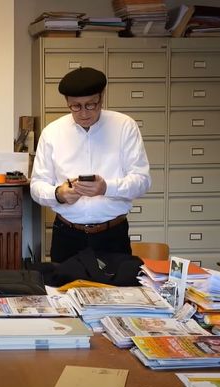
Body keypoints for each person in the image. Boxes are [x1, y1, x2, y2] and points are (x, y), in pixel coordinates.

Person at [30, 67, 151, 263]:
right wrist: (59, 194)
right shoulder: (52, 132)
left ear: (101, 98)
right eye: (76, 106)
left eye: (91, 105)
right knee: (63, 292)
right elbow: (36, 186)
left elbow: (142, 181)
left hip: (112, 237)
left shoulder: (124, 126)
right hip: (67, 236)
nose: (84, 113)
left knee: (117, 293)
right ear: (67, 102)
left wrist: (106, 187)